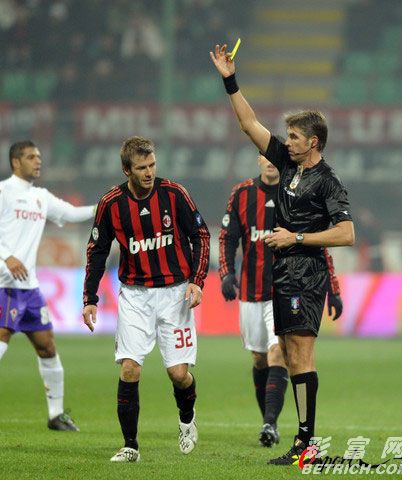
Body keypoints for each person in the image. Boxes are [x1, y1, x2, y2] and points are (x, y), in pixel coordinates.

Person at [210, 44, 355, 465]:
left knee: (300, 355)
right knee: (289, 354)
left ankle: (306, 443)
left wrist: (297, 238)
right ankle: (302, 440)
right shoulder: (289, 165)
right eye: (286, 136)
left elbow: (347, 233)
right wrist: (230, 80)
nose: (285, 141)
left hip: (307, 276)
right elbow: (248, 124)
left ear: (313, 142)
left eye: (293, 137)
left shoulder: (328, 181)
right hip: (283, 275)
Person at [82, 136, 210, 463]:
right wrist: (90, 297)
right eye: (142, 168)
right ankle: (131, 446)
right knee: (129, 368)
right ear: (127, 170)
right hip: (135, 296)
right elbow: (97, 251)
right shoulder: (111, 203)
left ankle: (187, 418)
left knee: (178, 374)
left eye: (152, 164)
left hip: (175, 294)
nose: (149, 172)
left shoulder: (174, 194)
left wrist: (197, 282)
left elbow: (201, 235)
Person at [219, 154, 343, 448]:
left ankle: (270, 423)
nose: (270, 162)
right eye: (265, 157)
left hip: (286, 289)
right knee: (259, 358)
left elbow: (318, 242)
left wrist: (333, 288)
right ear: (258, 160)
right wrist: (226, 273)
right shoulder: (242, 193)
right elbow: (228, 237)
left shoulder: (295, 194)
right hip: (251, 291)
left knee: (279, 353)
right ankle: (268, 421)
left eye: (274, 157)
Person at [0, 140, 96, 431]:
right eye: (31, 157)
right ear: (16, 162)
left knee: (47, 346)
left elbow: (72, 213)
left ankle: (56, 415)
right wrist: (6, 256)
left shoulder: (40, 197)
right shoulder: (3, 192)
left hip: (29, 289)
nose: (38, 161)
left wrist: (105, 205)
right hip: (3, 285)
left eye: (39, 156)